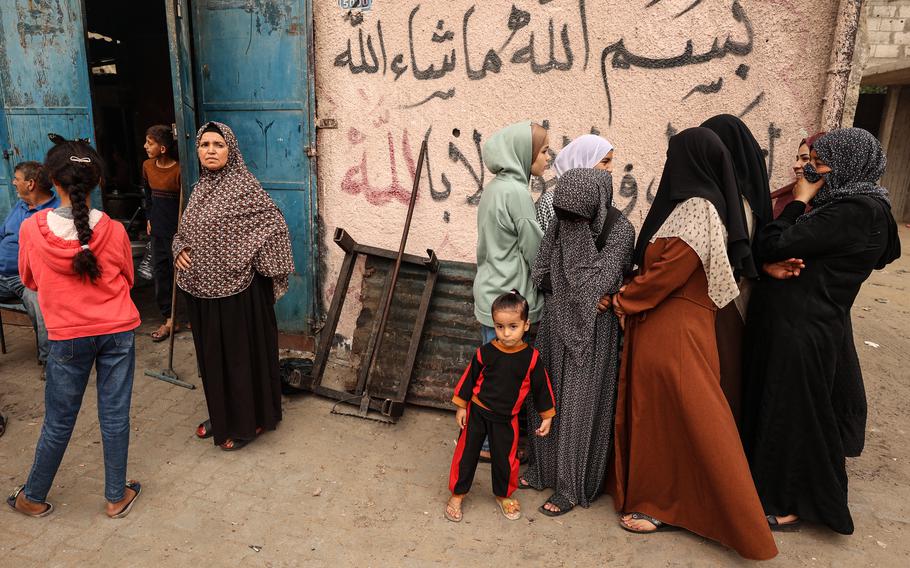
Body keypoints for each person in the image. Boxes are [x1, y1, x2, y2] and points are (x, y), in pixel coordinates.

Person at [604, 128, 777, 560]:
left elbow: (670, 271)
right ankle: (661, 500)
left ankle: (710, 513)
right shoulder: (691, 207)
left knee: (695, 416)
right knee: (664, 416)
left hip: (675, 328)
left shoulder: (698, 208)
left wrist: (624, 299)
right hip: (668, 325)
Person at [741, 128, 900, 535]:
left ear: (846, 165)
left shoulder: (854, 210)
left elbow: (771, 244)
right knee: (791, 408)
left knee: (796, 415)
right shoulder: (861, 206)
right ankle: (778, 492)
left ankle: (792, 503)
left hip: (804, 326)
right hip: (806, 323)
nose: (809, 172)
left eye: (820, 163)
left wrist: (798, 202)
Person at [7, 138, 142, 519]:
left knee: (59, 419)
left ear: (51, 179)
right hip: (117, 330)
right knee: (115, 415)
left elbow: (29, 280)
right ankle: (116, 497)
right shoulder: (113, 229)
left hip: (67, 336)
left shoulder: (33, 229)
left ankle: (33, 496)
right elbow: (128, 278)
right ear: (97, 181)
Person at [174, 122, 295, 451]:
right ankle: (222, 416)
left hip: (239, 292)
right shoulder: (200, 189)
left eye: (218, 144)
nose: (211, 150)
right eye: (204, 145)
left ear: (231, 150)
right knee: (213, 359)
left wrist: (243, 254)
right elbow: (185, 233)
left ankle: (247, 423)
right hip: (202, 292)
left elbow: (274, 225)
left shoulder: (245, 187)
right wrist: (179, 249)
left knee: (240, 358)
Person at [521, 168, 634, 516]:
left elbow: (605, 282)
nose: (570, 225)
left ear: (596, 207)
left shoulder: (621, 231)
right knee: (546, 397)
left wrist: (575, 286)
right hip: (556, 326)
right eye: (564, 216)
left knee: (580, 408)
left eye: (577, 218)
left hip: (594, 335)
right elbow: (541, 273)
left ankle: (571, 487)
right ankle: (542, 471)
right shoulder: (560, 220)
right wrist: (582, 292)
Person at [473, 121, 549, 461]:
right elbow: (535, 250)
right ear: (523, 154)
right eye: (543, 151)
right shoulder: (517, 193)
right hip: (511, 301)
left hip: (489, 292)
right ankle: (493, 445)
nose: (548, 157)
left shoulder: (494, 188)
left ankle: (487, 440)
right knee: (508, 379)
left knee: (491, 375)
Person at [446, 291, 555, 523]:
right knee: (466, 454)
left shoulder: (531, 358)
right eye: (499, 326)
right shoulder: (485, 353)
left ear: (526, 325)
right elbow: (468, 379)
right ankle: (457, 494)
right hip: (477, 412)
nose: (506, 333)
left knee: (506, 459)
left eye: (513, 326)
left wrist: (547, 416)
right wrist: (461, 406)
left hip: (507, 419)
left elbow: (541, 388)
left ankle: (503, 495)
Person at [699, 115, 769, 425]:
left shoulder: (733, 202)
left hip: (726, 300)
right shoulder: (748, 196)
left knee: (723, 376)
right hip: (740, 296)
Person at [0, 161, 59, 373]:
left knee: (39, 304)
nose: (13, 183)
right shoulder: (20, 206)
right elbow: (2, 233)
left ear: (31, 183)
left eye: (17, 179)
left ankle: (48, 361)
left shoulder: (55, 211)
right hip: (1, 274)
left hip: (27, 278)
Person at [142, 125, 182, 342]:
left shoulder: (179, 170)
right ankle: (169, 318)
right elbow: (147, 195)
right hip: (157, 230)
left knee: (184, 275)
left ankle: (191, 316)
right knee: (161, 273)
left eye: (150, 143)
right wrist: (149, 217)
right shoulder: (147, 166)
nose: (146, 146)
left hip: (176, 232)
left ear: (163, 148)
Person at [535, 134, 615, 233]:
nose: (611, 169)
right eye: (605, 161)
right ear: (585, 161)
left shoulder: (607, 201)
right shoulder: (549, 202)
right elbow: (541, 245)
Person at [770, 132, 825, 218]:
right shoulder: (787, 197)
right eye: (797, 159)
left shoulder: (833, 206)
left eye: (805, 158)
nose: (795, 166)